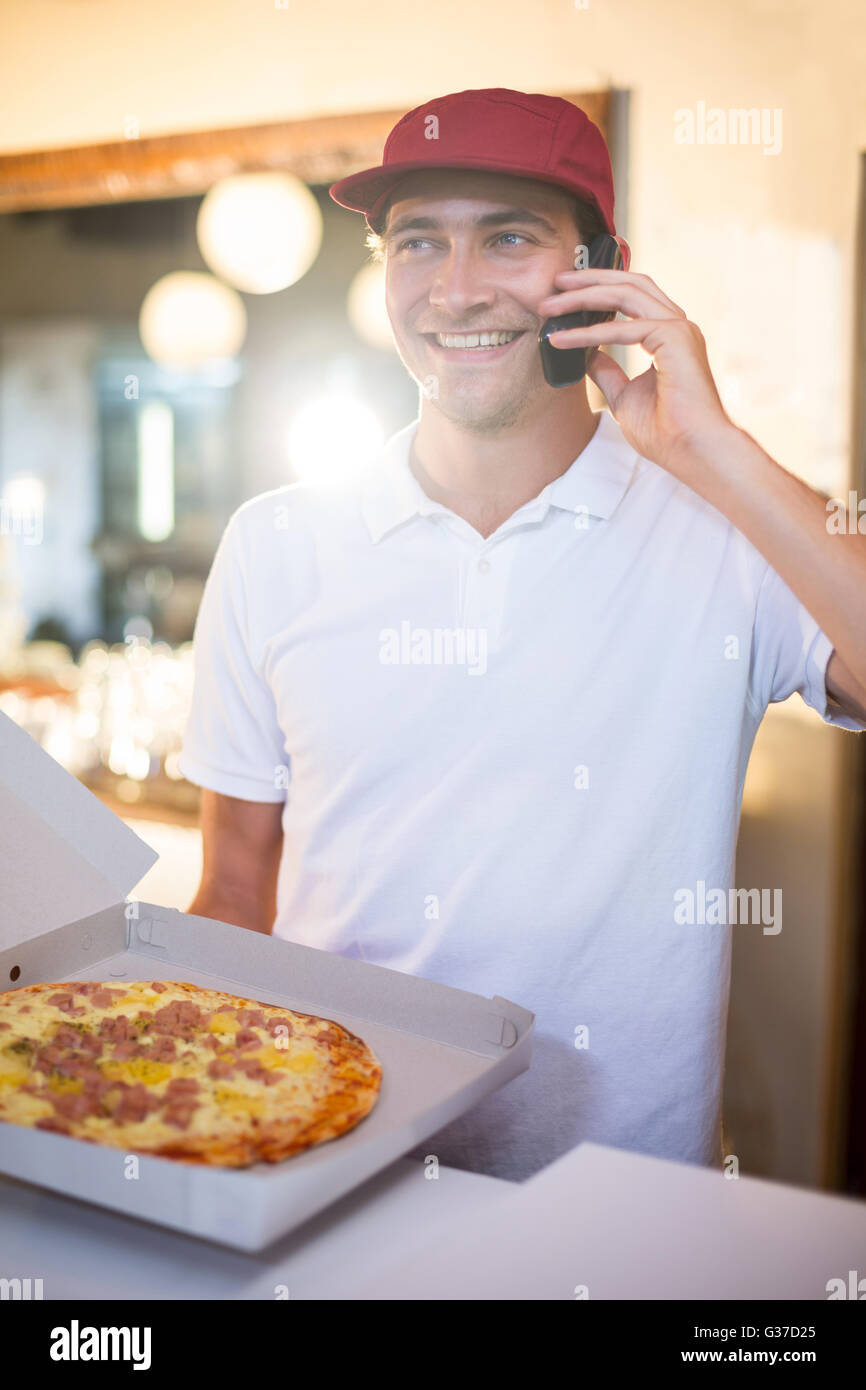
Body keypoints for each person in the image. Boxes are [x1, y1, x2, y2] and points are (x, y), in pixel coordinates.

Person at [178, 88, 866, 1182]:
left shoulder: (726, 532)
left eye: (506, 236)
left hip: (622, 1206)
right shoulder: (275, 544)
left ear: (601, 267)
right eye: (417, 243)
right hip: (328, 1181)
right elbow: (230, 896)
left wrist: (712, 446)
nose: (455, 289)